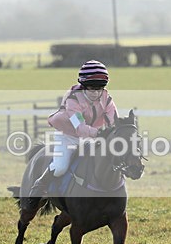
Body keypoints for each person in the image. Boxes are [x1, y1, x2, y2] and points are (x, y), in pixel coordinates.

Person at [28, 60, 118, 198]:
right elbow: (80, 128)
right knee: (60, 167)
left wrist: (114, 132)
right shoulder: (73, 100)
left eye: (99, 88)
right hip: (68, 137)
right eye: (91, 88)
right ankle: (39, 186)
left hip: (92, 138)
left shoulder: (107, 99)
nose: (96, 93)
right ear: (83, 85)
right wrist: (100, 133)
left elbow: (113, 121)